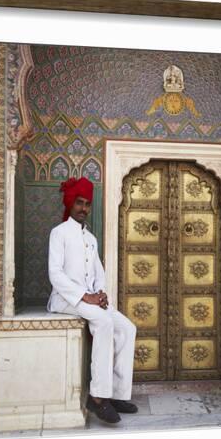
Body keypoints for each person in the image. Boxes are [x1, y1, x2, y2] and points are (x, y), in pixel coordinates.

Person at [47, 176, 138, 424]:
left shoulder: (91, 238)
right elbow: (55, 273)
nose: (84, 208)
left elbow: (99, 272)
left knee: (128, 328)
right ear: (70, 203)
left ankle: (117, 393)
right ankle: (97, 397)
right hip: (65, 299)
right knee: (103, 322)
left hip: (88, 301)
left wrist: (101, 292)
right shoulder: (59, 233)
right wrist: (84, 296)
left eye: (87, 204)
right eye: (79, 203)